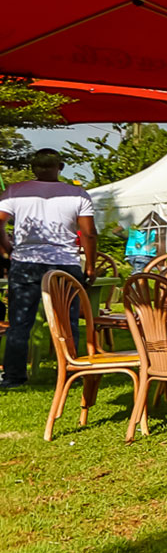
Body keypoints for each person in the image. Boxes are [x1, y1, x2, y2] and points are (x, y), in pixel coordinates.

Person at [0, 150, 97, 391]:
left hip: (26, 262)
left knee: (20, 321)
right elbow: (88, 233)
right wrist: (91, 265)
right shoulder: (77, 194)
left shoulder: (15, 191)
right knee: (67, 321)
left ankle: (14, 376)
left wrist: (8, 248)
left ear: (33, 167)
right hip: (65, 263)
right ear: (60, 167)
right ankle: (70, 370)